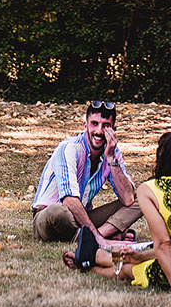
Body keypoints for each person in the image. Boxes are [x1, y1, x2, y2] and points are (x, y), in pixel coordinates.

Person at [65, 130, 171, 291]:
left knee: (127, 270)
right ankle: (96, 255)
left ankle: (87, 265)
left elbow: (164, 244)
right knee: (135, 256)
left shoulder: (150, 189)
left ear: (161, 157)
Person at [33, 100, 143, 242]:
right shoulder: (69, 148)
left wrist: (111, 158)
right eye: (94, 124)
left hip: (81, 217)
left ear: (113, 130)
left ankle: (94, 236)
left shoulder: (112, 151)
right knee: (59, 212)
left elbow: (128, 199)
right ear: (85, 125)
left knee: (142, 198)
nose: (99, 131)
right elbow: (69, 200)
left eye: (106, 126)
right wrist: (96, 234)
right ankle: (100, 236)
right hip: (50, 217)